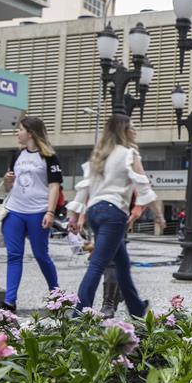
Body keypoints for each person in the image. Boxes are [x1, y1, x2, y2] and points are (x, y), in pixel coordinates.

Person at [67, 115, 165, 316]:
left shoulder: (99, 155)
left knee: (122, 264)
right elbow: (144, 187)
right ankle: (78, 313)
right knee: (97, 264)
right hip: (114, 214)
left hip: (94, 212)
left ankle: (136, 308)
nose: (135, 131)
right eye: (132, 127)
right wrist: (158, 215)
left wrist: (74, 216)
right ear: (124, 131)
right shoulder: (129, 154)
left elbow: (84, 189)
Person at [0, 116, 63, 312]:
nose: (17, 133)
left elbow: (54, 187)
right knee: (14, 255)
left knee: (41, 255)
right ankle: (10, 302)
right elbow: (11, 185)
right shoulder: (17, 155)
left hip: (38, 212)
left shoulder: (49, 156)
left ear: (31, 133)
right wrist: (7, 180)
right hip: (15, 211)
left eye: (20, 130)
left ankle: (57, 296)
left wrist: (50, 212)